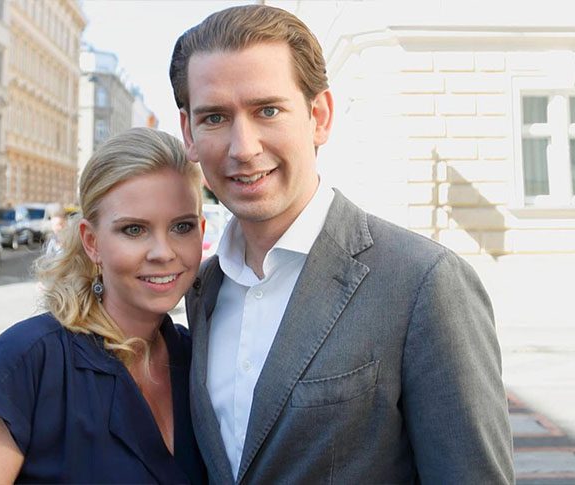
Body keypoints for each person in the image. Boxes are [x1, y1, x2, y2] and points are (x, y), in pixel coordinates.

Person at [171, 5, 514, 483]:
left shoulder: (423, 282)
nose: (243, 147)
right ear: (189, 133)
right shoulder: (201, 288)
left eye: (267, 110)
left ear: (320, 116)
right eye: (215, 117)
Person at [0, 128, 207, 483]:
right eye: (134, 230)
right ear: (92, 242)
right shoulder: (24, 364)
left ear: (202, 231)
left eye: (182, 227)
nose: (163, 252)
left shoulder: (198, 358)